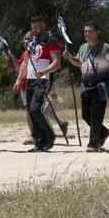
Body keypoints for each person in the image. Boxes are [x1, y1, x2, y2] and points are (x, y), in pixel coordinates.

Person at [61, 21, 109, 152]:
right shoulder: (83, 47)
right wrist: (69, 57)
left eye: (90, 31)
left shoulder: (106, 48)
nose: (87, 34)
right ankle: (104, 132)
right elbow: (79, 63)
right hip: (86, 86)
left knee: (96, 115)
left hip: (101, 86)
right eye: (85, 31)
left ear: (97, 32)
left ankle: (93, 143)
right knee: (85, 115)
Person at [24, 16, 63, 151]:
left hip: (43, 79)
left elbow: (57, 63)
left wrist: (43, 72)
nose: (34, 30)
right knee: (30, 111)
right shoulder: (31, 41)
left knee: (36, 109)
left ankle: (50, 136)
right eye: (32, 28)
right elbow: (26, 61)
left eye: (37, 27)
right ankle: (40, 141)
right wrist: (19, 79)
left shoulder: (50, 40)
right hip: (30, 79)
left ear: (43, 26)